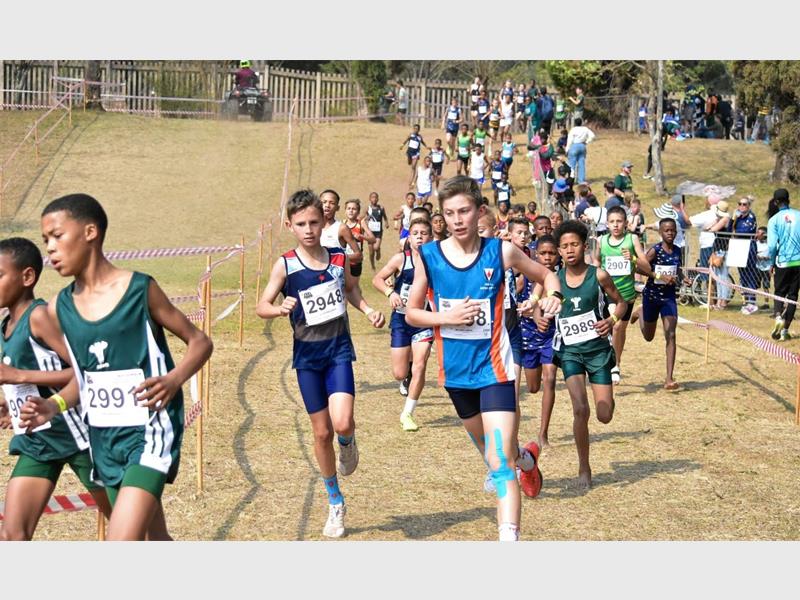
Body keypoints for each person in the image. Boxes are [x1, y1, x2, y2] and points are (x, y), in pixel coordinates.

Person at [22, 193, 213, 540]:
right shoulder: (58, 308)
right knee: (155, 541)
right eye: (45, 240)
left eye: (57, 235)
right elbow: (84, 379)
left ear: (90, 232)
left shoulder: (140, 289)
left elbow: (200, 341)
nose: (50, 247)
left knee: (120, 541)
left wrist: (173, 380)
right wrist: (52, 405)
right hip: (103, 440)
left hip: (150, 430)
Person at [405, 175, 563, 541]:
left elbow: (547, 275)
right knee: (498, 457)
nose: (458, 219)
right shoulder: (429, 257)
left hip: (495, 370)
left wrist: (552, 297)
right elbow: (413, 313)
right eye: (450, 213)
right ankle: (527, 460)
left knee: (499, 465)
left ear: (479, 211)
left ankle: (509, 538)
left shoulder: (500, 251)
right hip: (456, 375)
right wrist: (446, 317)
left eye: (464, 211)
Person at [256, 189, 385, 538]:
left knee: (342, 424)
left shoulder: (339, 258)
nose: (309, 229)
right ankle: (335, 501)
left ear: (323, 221)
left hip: (338, 350)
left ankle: (349, 443)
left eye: (314, 221)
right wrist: (277, 308)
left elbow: (352, 291)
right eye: (301, 224)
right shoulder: (285, 264)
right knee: (321, 432)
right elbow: (262, 304)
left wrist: (369, 309)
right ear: (290, 225)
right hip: (307, 357)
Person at [0, 237, 112, 541]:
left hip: (81, 439)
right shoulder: (6, 325)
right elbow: (34, 379)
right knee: (12, 535)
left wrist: (19, 376)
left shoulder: (39, 317)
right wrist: (11, 404)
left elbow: (84, 370)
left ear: (27, 277)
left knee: (128, 529)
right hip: (39, 442)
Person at [552, 219, 627, 489]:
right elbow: (543, 304)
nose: (569, 250)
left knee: (604, 414)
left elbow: (621, 303)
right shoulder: (555, 281)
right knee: (580, 409)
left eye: (574, 244)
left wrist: (612, 321)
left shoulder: (600, 275)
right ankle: (584, 467)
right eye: (564, 246)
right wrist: (538, 315)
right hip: (570, 352)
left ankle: (607, 399)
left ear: (584, 246)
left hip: (597, 352)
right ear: (559, 251)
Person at [372, 218, 433, 432]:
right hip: (401, 319)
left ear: (431, 237)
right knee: (399, 373)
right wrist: (390, 292)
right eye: (415, 233)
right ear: (409, 237)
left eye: (424, 233)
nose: (419, 236)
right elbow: (377, 279)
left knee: (420, 365)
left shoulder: (436, 262)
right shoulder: (401, 259)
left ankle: (407, 413)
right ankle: (405, 374)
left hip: (424, 320)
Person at [593, 205, 653, 384]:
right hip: (607, 292)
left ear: (626, 223)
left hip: (626, 293)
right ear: (607, 224)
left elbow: (646, 266)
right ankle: (607, 363)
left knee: (619, 328)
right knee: (611, 326)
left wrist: (633, 259)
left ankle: (616, 363)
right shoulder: (601, 241)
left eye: (619, 221)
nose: (616, 225)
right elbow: (596, 261)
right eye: (612, 222)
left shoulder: (632, 239)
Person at [630, 219, 682, 389]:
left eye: (673, 230)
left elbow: (677, 270)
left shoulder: (678, 251)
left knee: (671, 334)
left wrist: (683, 278)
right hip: (651, 297)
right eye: (666, 230)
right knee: (648, 337)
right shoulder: (655, 251)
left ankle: (669, 378)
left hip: (668, 298)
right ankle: (641, 313)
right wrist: (659, 276)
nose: (670, 233)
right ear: (660, 232)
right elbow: (639, 268)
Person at [518, 234, 559, 449]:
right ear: (535, 254)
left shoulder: (561, 276)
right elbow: (519, 298)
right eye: (543, 253)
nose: (547, 257)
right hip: (527, 336)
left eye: (552, 253)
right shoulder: (525, 275)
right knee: (533, 387)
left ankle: (543, 433)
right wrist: (530, 313)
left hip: (552, 335)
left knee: (550, 378)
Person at [767, 189, 800, 341]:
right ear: (789, 199)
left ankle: (779, 316)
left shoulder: (774, 220)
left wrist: (772, 262)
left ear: (775, 202)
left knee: (779, 293)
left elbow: (772, 246)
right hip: (798, 261)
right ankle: (784, 331)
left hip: (783, 261)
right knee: (793, 296)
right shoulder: (799, 215)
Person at [732, 196, 759, 314]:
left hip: (749, 248)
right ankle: (745, 302)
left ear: (749, 206)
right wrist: (733, 220)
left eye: (744, 204)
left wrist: (735, 230)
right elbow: (729, 229)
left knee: (750, 275)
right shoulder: (737, 218)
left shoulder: (751, 217)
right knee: (742, 276)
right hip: (738, 247)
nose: (742, 206)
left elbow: (746, 231)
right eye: (740, 204)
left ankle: (751, 302)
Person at [319, 190, 363, 262]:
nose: (327, 205)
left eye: (332, 203)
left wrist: (334, 257)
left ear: (337, 208)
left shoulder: (342, 228)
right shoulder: (312, 227)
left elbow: (359, 256)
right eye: (324, 202)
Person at [343, 199, 376, 280]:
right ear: (345, 211)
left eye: (354, 209)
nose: (351, 211)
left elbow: (373, 239)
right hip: (344, 261)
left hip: (356, 262)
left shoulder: (361, 223)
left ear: (358, 212)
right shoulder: (342, 224)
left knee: (353, 286)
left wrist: (361, 236)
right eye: (349, 208)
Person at [565, 118, 595, 183]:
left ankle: (571, 179)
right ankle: (581, 180)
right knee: (581, 164)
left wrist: (567, 149)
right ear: (581, 123)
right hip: (582, 146)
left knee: (571, 164)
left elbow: (569, 140)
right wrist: (586, 142)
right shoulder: (585, 129)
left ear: (575, 123)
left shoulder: (573, 130)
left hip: (574, 146)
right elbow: (592, 136)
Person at [365, 191, 389, 270]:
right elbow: (362, 218)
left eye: (375, 197)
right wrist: (366, 219)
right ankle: (372, 265)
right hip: (369, 232)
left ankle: (378, 250)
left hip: (378, 232)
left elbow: (385, 217)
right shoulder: (367, 208)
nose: (374, 199)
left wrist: (386, 223)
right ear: (369, 199)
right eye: (372, 197)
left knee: (375, 247)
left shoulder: (381, 208)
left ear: (378, 199)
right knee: (371, 252)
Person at [400, 124, 428, 188]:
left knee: (413, 166)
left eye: (417, 129)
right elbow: (406, 140)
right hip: (409, 152)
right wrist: (402, 145)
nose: (416, 130)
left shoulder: (419, 137)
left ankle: (411, 180)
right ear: (413, 129)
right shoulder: (411, 135)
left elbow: (422, 142)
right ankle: (410, 161)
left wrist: (426, 146)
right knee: (409, 163)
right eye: (415, 129)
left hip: (416, 153)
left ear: (419, 130)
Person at [755, 227, 772, 311]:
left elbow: (771, 255)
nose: (758, 235)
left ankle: (766, 303)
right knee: (754, 285)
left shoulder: (769, 244)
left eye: (760, 233)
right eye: (757, 233)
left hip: (767, 268)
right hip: (757, 267)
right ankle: (751, 302)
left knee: (766, 286)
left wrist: (765, 257)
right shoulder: (755, 243)